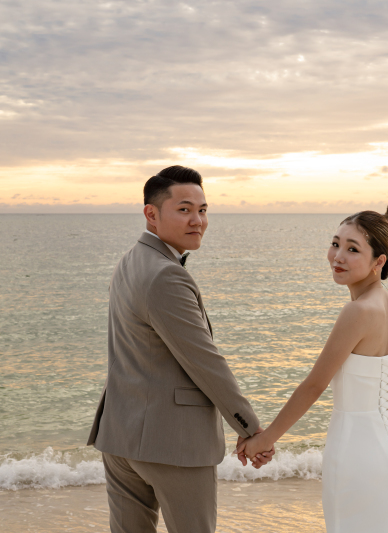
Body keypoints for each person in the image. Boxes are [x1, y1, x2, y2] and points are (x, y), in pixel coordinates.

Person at [87, 165, 273, 533]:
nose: (198, 221)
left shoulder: (129, 261)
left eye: (203, 211)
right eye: (184, 209)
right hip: (174, 446)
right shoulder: (166, 275)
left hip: (121, 438)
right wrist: (251, 429)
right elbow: (205, 363)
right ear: (151, 214)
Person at [236, 210, 388, 532]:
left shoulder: (357, 312)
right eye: (335, 244)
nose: (338, 257)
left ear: (379, 262)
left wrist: (265, 439)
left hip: (358, 455)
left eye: (353, 249)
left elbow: (314, 386)